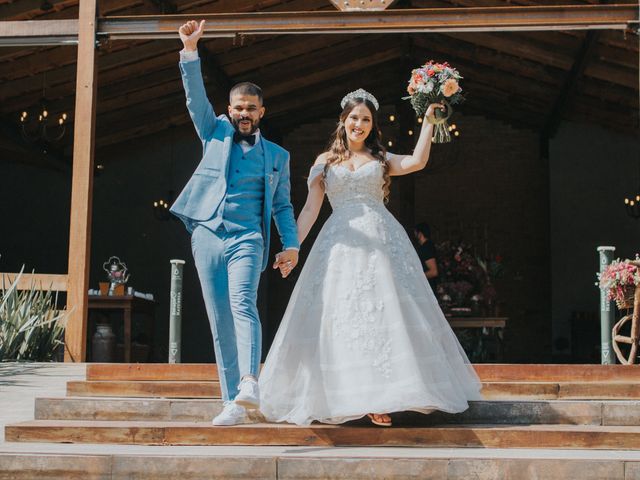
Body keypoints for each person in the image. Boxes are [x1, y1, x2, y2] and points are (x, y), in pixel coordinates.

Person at [259, 88, 482, 427]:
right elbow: (309, 210)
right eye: (353, 118)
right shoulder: (324, 163)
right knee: (344, 315)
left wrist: (427, 123)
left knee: (382, 313)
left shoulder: (381, 159)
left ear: (372, 125)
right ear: (343, 122)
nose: (359, 124)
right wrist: (293, 246)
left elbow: (417, 161)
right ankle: (346, 395)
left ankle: (384, 396)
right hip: (339, 243)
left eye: (365, 119)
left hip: (382, 241)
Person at [170, 20, 299, 426]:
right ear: (230, 111)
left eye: (251, 108)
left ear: (263, 112)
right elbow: (194, 101)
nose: (244, 114)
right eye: (238, 108)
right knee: (218, 317)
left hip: (249, 236)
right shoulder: (214, 133)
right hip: (207, 234)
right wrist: (190, 51)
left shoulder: (278, 155)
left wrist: (291, 245)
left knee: (243, 304)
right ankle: (231, 401)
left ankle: (249, 381)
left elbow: (282, 206)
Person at [414, 222, 439, 291]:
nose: (414, 234)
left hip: (429, 289)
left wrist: (416, 277)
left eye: (415, 232)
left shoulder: (426, 247)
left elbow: (433, 271)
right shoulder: (426, 246)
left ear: (420, 233)